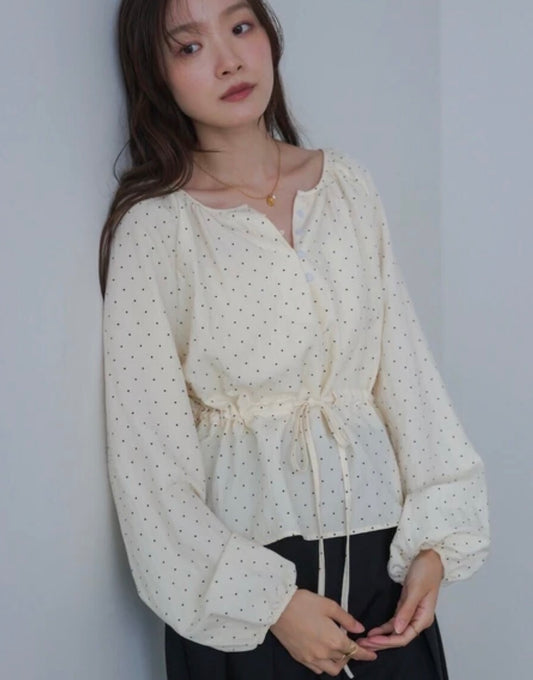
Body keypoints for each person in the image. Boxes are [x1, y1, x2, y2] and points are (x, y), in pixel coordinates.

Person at [99, 0, 490, 678]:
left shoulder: (346, 186)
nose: (229, 61)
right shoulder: (156, 229)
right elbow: (148, 461)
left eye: (240, 27)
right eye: (189, 46)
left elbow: (405, 374)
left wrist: (435, 545)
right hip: (245, 595)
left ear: (269, 34)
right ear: (154, 73)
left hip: (384, 571)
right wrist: (272, 604)